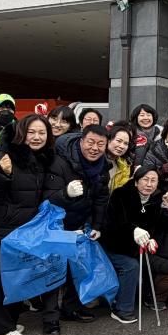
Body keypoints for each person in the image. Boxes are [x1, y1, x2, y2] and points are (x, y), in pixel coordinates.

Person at [0, 114, 61, 335]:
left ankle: (1, 324)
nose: (36, 137)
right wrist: (2, 175)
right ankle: (2, 332)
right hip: (0, 227)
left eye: (42, 133)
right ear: (21, 133)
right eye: (31, 132)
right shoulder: (5, 157)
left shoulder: (41, 160)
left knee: (14, 276)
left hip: (23, 229)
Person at [46, 125, 111, 323]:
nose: (95, 148)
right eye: (90, 142)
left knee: (77, 266)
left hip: (81, 222)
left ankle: (71, 308)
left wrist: (98, 226)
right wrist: (66, 193)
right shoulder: (60, 161)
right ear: (81, 141)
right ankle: (50, 319)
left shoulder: (103, 167)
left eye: (100, 144)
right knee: (55, 271)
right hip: (56, 224)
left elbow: (101, 199)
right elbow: (48, 197)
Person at [101, 167, 168, 322]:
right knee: (131, 265)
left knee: (152, 260)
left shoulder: (156, 199)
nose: (149, 184)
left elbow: (163, 226)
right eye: (145, 180)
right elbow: (114, 224)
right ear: (136, 181)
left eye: (153, 180)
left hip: (138, 247)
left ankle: (149, 298)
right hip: (114, 245)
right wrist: (133, 230)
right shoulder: (120, 195)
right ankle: (122, 309)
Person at [106, 125, 133, 193]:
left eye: (126, 143)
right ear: (108, 140)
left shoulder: (124, 165)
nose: (122, 146)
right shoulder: (96, 159)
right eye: (119, 141)